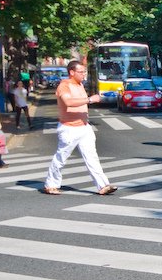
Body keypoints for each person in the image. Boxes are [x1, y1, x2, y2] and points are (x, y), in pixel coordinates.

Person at [41, 60, 117, 196]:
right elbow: (68, 102)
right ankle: (51, 184)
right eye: (81, 72)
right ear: (72, 72)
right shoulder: (64, 86)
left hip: (84, 127)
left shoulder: (80, 85)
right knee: (61, 157)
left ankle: (103, 185)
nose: (84, 75)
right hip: (69, 128)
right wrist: (90, 100)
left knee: (92, 158)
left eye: (84, 72)